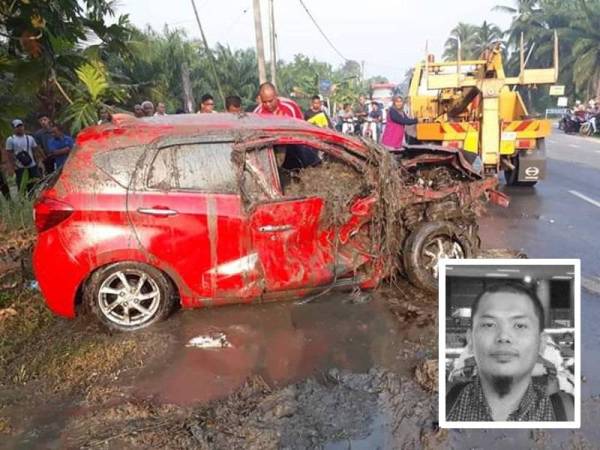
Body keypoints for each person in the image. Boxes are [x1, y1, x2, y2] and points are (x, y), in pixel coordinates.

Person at [446, 283, 574, 422]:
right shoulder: (437, 406)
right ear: (470, 340)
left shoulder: (571, 413)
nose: (503, 337)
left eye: (520, 325)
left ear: (541, 343)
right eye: (489, 324)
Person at [5, 119, 40, 194]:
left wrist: (38, 163)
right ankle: (23, 203)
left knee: (32, 187)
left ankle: (32, 202)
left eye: (21, 126)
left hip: (31, 165)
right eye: (17, 126)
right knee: (22, 187)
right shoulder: (10, 139)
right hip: (20, 167)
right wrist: (11, 167)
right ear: (14, 128)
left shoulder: (30, 138)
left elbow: (35, 151)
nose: (20, 128)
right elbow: (9, 155)